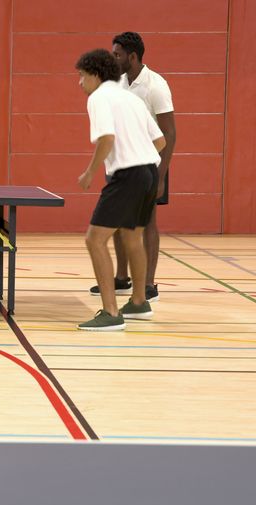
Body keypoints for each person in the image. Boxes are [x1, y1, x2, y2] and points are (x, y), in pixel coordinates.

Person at [75, 49, 166, 331]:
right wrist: (139, 157)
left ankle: (111, 312)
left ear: (96, 75)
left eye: (82, 76)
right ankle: (139, 301)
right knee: (132, 238)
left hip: (128, 175)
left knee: (95, 240)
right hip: (149, 171)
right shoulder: (131, 98)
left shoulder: (99, 97)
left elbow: (106, 138)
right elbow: (160, 141)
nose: (80, 83)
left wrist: (90, 172)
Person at [89, 31, 177, 303]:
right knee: (117, 222)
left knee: (146, 221)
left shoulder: (156, 86)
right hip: (121, 162)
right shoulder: (119, 83)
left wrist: (161, 175)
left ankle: (148, 284)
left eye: (117, 54)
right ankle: (121, 278)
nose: (113, 59)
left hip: (148, 164)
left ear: (133, 56)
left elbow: (169, 134)